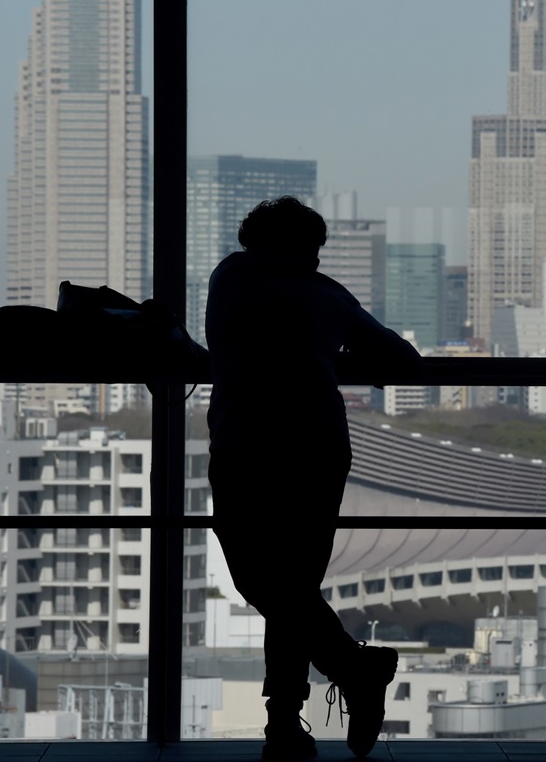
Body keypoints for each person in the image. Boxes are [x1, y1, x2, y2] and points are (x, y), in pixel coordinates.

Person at [205, 196, 423, 760]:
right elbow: (402, 359)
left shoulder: (227, 278)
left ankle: (292, 720)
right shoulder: (325, 296)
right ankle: (343, 677)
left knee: (267, 583)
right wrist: (333, 351)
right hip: (313, 451)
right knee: (293, 585)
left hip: (241, 447)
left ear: (251, 239)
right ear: (308, 248)